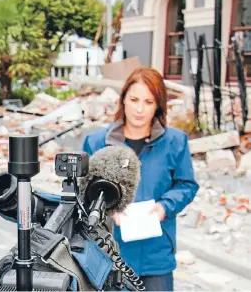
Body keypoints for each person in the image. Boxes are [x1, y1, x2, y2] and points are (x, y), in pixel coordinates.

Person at [81, 66, 199, 291]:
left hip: (157, 256)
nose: (140, 109)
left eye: (149, 102)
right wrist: (107, 209)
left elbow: (187, 185)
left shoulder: (176, 142)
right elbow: (81, 192)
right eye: (134, 99)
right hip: (109, 256)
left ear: (158, 106)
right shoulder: (96, 143)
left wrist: (165, 206)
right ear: (123, 99)